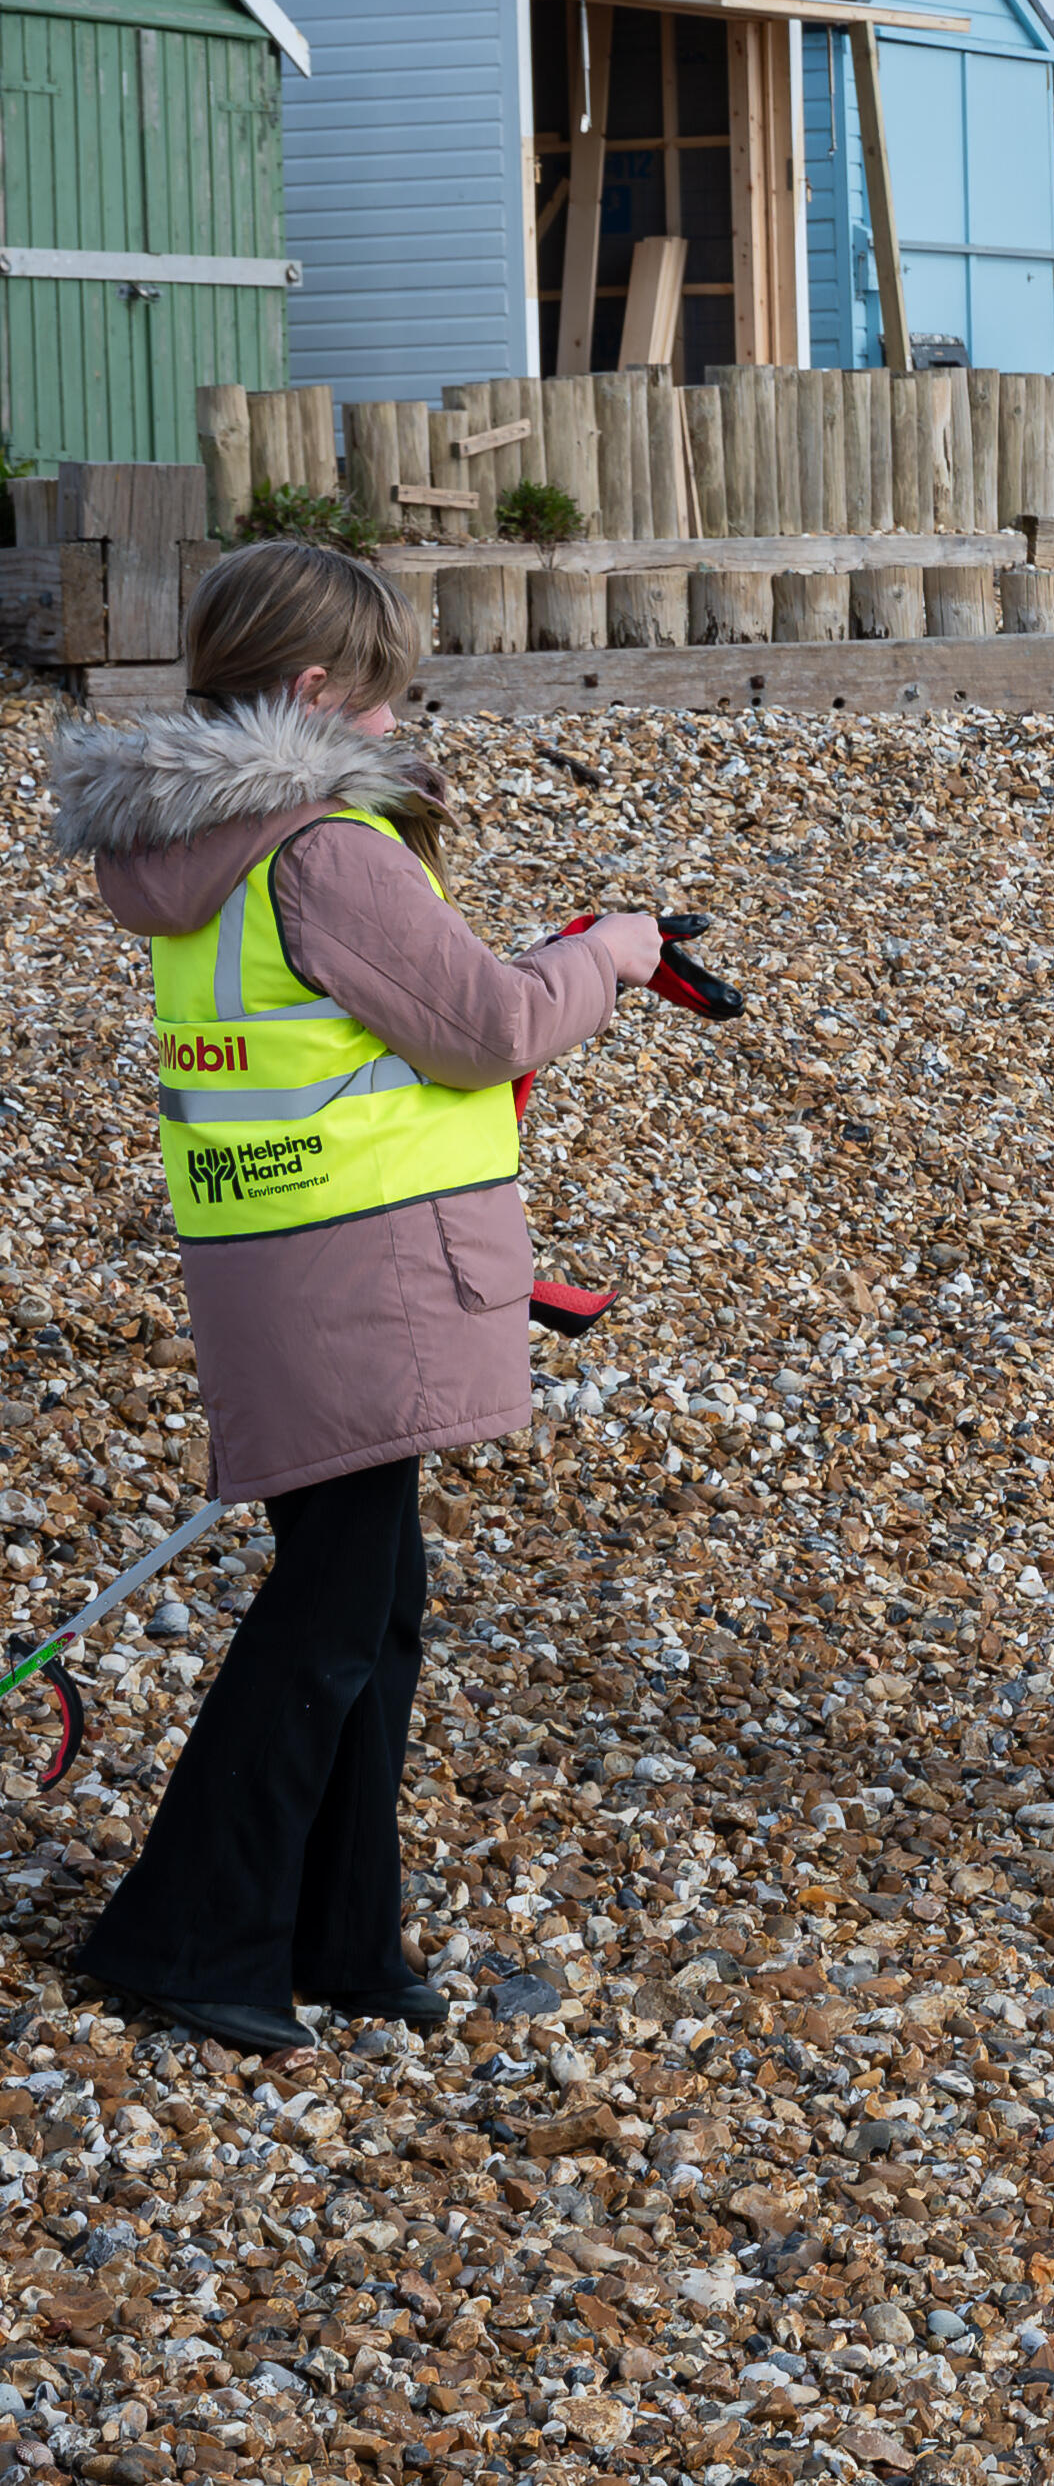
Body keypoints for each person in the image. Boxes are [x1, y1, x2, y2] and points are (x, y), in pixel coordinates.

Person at [50, 546, 666, 2055]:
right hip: (364, 1263)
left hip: (281, 1258)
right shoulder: (327, 844)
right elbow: (489, 1027)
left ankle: (336, 1936)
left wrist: (534, 962)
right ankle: (187, 1938)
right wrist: (615, 958)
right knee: (332, 1617)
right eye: (389, 698)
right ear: (320, 692)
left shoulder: (206, 839)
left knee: (373, 1603)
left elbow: (383, 1016)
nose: (402, 726)